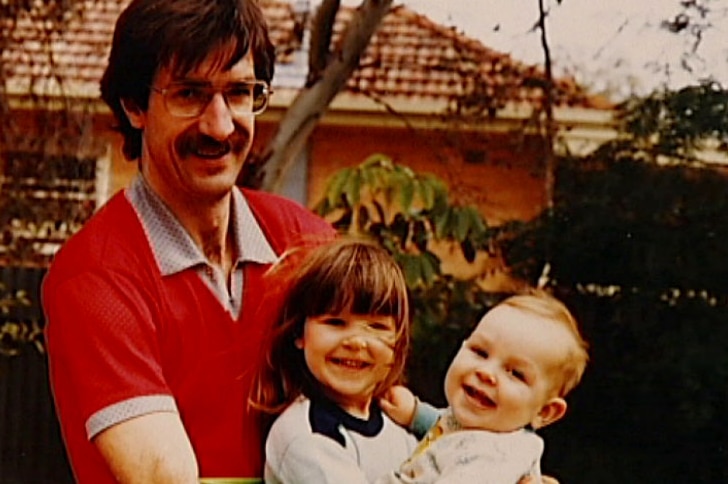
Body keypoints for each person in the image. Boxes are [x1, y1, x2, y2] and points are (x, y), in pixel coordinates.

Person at [41, 0, 335, 482]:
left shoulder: (308, 244)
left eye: (239, 93)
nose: (219, 126)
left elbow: (378, 416)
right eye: (190, 94)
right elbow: (164, 478)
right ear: (135, 106)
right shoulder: (95, 280)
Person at [250, 237, 418, 484]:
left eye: (376, 327)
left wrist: (420, 416)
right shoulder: (304, 436)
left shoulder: (400, 428)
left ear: (397, 345)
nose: (357, 342)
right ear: (299, 333)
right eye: (335, 323)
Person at [378, 289, 589, 484]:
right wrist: (415, 414)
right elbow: (452, 433)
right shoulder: (487, 430)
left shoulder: (494, 460)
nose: (486, 373)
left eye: (516, 373)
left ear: (544, 411)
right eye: (480, 352)